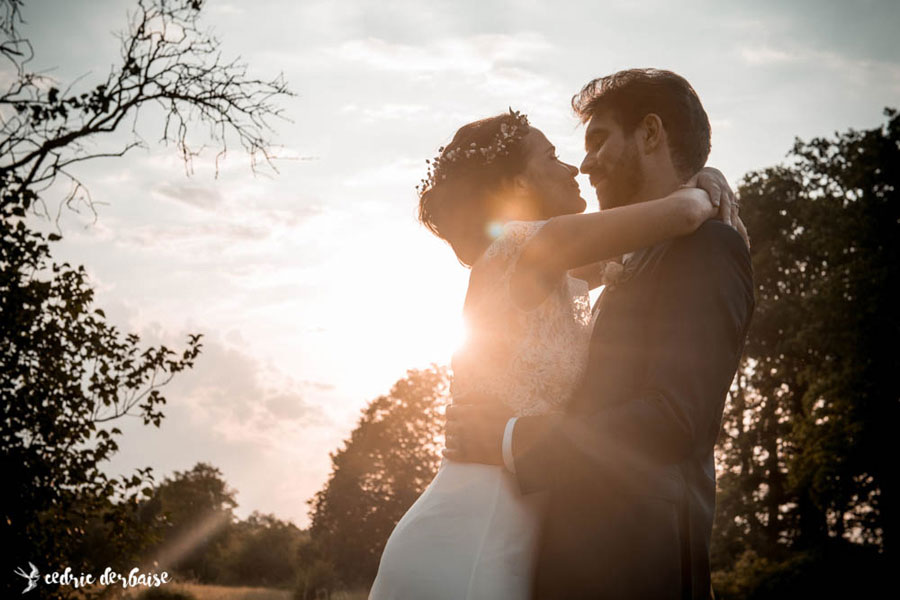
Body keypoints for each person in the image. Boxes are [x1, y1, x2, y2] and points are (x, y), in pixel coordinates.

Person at [370, 74, 747, 598]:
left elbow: (672, 413)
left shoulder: (569, 265)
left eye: (593, 143)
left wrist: (706, 173)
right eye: (554, 157)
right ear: (521, 185)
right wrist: (703, 184)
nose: (577, 165)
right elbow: (679, 212)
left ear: (652, 133)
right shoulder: (524, 246)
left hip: (532, 536)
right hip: (476, 531)